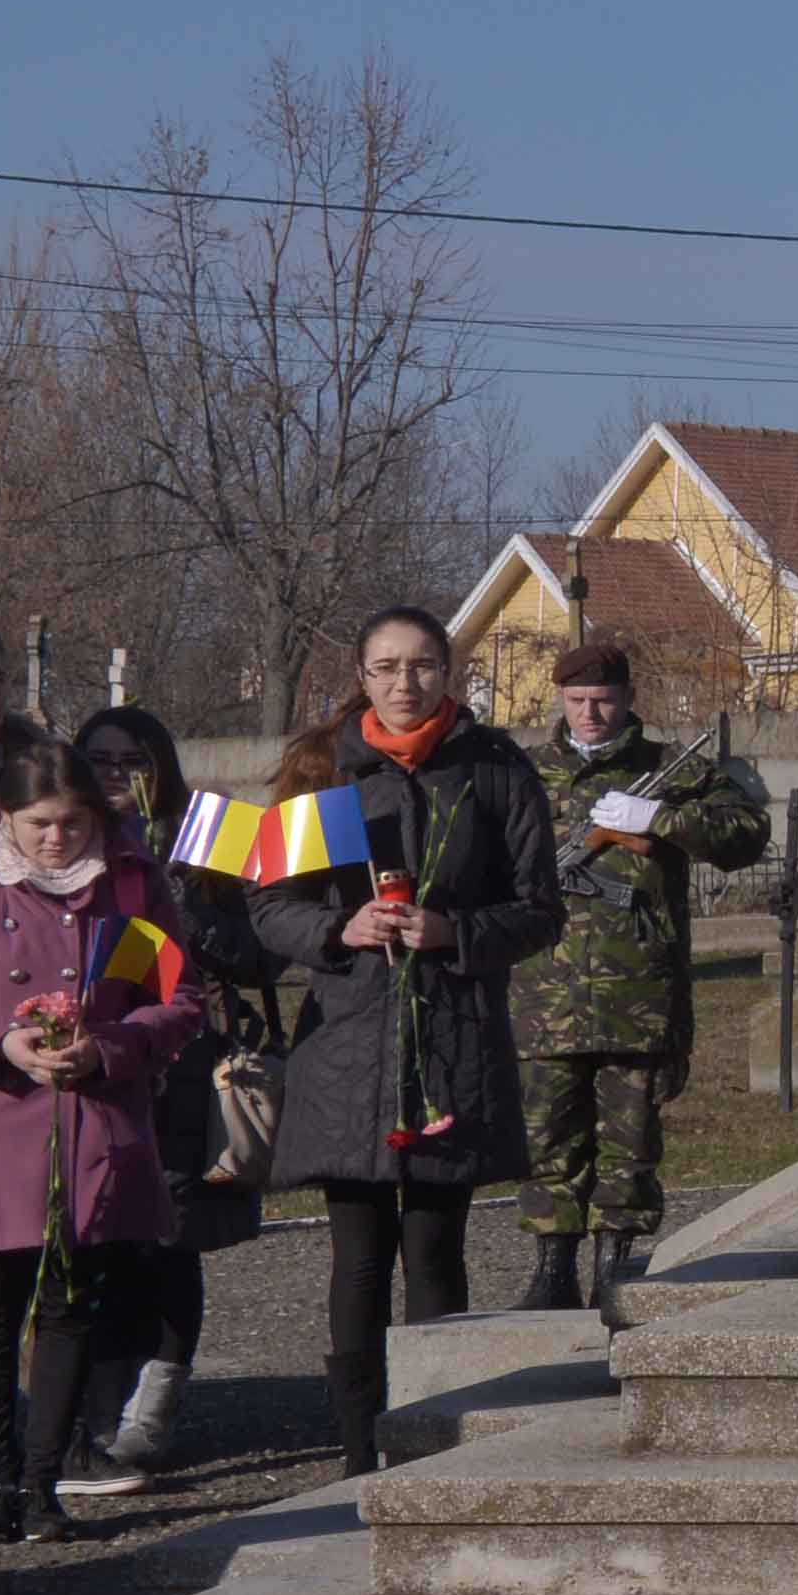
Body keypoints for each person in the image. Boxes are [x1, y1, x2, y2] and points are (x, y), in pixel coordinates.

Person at [249, 609, 560, 1473]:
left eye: (422, 665)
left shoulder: (493, 770)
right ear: (361, 671)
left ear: (448, 671)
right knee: (357, 1258)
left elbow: (540, 909)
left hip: (451, 1042)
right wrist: (338, 929)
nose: (404, 682)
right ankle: (357, 1449)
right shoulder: (322, 772)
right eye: (386, 666)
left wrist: (452, 932)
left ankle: (429, 1438)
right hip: (348, 1045)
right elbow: (269, 907)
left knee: (435, 1249)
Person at [0, 741, 204, 1542]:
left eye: (73, 824)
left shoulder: (130, 887)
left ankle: (41, 1483)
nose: (56, 841)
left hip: (90, 1119)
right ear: (6, 818)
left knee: (69, 1306)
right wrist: (1, 1045)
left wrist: (110, 1046)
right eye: (38, 825)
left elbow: (176, 1000)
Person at [505, 640, 773, 1315]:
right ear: (557, 702)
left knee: (630, 1141)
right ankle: (550, 1270)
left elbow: (745, 833)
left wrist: (660, 819)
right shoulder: (526, 773)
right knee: (546, 1138)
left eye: (603, 700)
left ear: (628, 700)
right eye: (575, 702)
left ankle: (616, 1269)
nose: (590, 714)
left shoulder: (666, 771)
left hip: (640, 993)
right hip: (542, 993)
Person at [58, 703, 260, 1487]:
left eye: (133, 761)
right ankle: (96, 1415)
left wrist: (186, 910)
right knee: (101, 1241)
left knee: (171, 1237)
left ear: (161, 770)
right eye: (100, 758)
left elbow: (256, 954)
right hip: (97, 1068)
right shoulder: (58, 835)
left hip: (180, 1066)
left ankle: (156, 1400)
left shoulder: (206, 837)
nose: (115, 773)